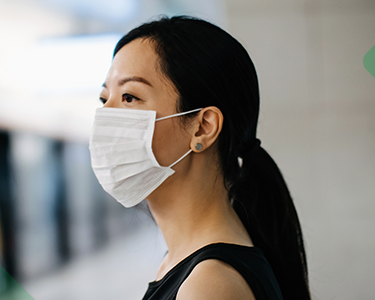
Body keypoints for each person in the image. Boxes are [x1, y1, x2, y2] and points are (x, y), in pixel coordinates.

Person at [89, 16, 310, 300]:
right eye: (104, 99)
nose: (107, 115)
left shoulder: (208, 284)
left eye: (130, 97)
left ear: (203, 127)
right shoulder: (183, 262)